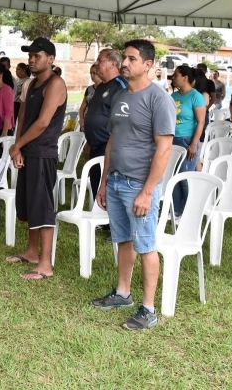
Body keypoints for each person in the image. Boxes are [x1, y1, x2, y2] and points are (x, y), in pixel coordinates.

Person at [91, 39, 175, 331]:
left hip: (139, 184)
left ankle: (149, 309)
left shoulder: (158, 99)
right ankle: (123, 293)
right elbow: (112, 141)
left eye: (131, 59)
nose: (124, 63)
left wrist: (147, 192)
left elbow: (164, 149)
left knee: (146, 245)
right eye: (124, 58)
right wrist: (104, 182)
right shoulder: (120, 95)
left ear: (148, 65)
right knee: (124, 240)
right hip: (116, 180)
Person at [6, 38, 66, 280]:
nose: (31, 60)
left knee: (42, 206)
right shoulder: (30, 84)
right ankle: (32, 252)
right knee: (30, 204)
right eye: (30, 56)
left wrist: (17, 146)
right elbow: (22, 117)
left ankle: (45, 264)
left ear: (50, 59)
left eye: (37, 56)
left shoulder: (56, 84)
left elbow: (42, 123)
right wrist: (17, 148)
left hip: (43, 152)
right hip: (27, 150)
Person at [83, 49, 127, 199]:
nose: (96, 63)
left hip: (108, 146)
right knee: (97, 187)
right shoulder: (101, 86)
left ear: (112, 64)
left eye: (100, 60)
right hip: (95, 145)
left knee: (107, 190)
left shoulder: (121, 86)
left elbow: (123, 119)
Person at [170, 65, 207, 220]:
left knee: (185, 177)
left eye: (176, 75)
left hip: (187, 140)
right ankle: (176, 211)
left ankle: (190, 212)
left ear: (185, 77)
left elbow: (201, 122)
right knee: (174, 176)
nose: (173, 77)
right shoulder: (173, 96)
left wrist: (193, 144)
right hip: (173, 139)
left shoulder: (196, 96)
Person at [78, 63, 101, 133]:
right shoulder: (89, 89)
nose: (92, 76)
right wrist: (82, 120)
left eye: (94, 73)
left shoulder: (106, 89)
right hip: (87, 121)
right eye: (90, 73)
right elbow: (82, 108)